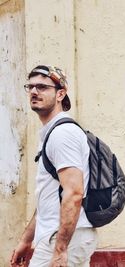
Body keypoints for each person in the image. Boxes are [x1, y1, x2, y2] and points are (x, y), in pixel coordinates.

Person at [10, 65, 97, 267]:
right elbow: (48, 197)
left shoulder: (62, 134)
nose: (33, 92)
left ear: (60, 94)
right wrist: (26, 239)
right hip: (60, 236)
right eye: (30, 87)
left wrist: (60, 250)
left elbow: (74, 193)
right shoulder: (52, 134)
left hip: (64, 238)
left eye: (42, 87)